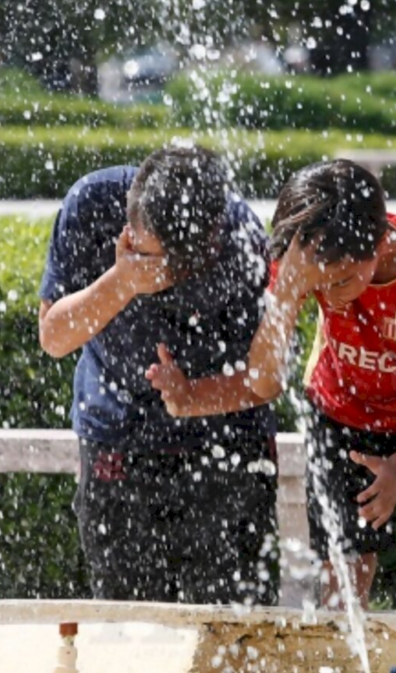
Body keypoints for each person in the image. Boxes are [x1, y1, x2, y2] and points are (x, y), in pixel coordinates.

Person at [246, 159, 396, 616]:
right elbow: (262, 383)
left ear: (380, 243)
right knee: (344, 573)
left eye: (341, 280)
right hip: (343, 413)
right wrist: (288, 290)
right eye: (318, 285)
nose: (331, 295)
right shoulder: (304, 255)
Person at [38, 146, 278, 605]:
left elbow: (263, 379)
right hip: (118, 440)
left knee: (237, 633)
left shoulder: (242, 237)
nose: (166, 275)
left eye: (182, 266)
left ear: (211, 237)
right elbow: (53, 338)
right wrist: (122, 281)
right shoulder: (91, 203)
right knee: (129, 626)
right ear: (130, 224)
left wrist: (192, 397)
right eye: (154, 258)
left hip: (226, 446)